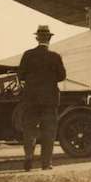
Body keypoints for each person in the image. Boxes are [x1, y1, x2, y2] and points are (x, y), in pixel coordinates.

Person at [18, 25, 67, 171]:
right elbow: (62, 76)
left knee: (29, 129)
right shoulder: (55, 56)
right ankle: (46, 163)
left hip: (31, 99)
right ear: (49, 39)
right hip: (49, 100)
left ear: (37, 38)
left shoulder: (27, 55)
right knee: (48, 131)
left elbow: (20, 75)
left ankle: (28, 156)